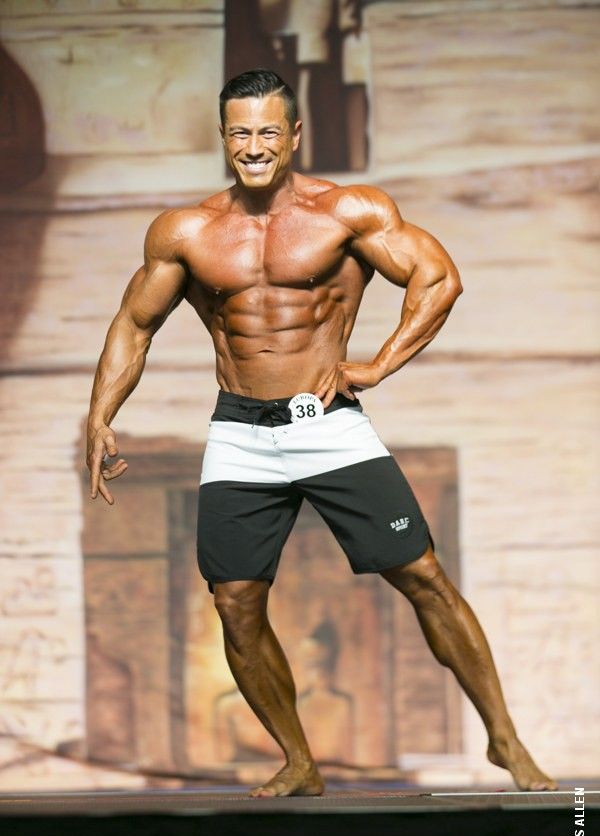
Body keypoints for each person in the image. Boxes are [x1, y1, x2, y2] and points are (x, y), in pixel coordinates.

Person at [86, 69, 556, 797]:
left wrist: (380, 364)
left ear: (295, 135)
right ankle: (300, 761)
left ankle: (504, 739)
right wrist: (100, 414)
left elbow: (438, 279)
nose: (254, 146)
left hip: (327, 424)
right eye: (240, 133)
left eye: (268, 131)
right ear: (223, 139)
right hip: (240, 430)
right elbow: (135, 324)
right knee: (235, 603)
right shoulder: (186, 231)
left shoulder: (348, 211)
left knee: (423, 577)